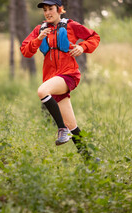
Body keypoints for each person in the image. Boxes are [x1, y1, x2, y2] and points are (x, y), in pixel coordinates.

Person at [20, 0, 100, 156]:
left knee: (42, 91)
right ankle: (90, 162)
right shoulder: (39, 29)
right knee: (72, 124)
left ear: (59, 9)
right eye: (45, 10)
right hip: (52, 79)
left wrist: (82, 47)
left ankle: (61, 130)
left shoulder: (71, 25)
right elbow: (25, 51)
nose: (48, 13)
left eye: (51, 9)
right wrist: (38, 39)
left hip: (69, 74)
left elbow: (94, 37)